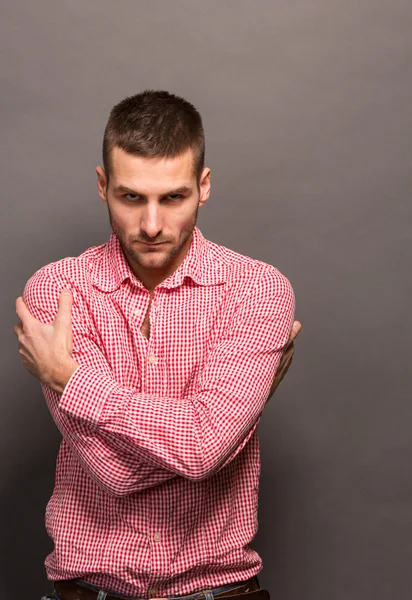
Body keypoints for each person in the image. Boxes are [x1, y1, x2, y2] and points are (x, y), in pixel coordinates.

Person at [14, 90, 301, 600]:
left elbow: (204, 449)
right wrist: (217, 428)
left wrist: (69, 380)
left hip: (221, 590)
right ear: (103, 186)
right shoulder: (56, 293)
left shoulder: (257, 289)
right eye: (131, 197)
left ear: (203, 187)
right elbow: (117, 472)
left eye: (172, 197)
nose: (151, 225)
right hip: (88, 590)